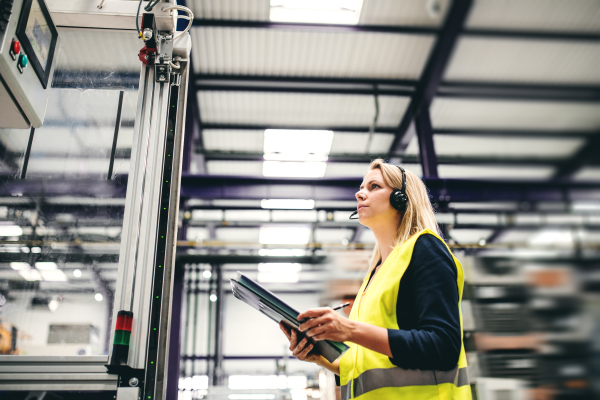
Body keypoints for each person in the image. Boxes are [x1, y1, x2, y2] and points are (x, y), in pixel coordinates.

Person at [279, 159, 471, 399]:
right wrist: (320, 357)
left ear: (402, 198)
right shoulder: (375, 275)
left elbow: (443, 346)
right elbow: (369, 366)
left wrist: (349, 329)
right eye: (361, 187)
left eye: (374, 186)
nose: (360, 194)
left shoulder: (424, 248)